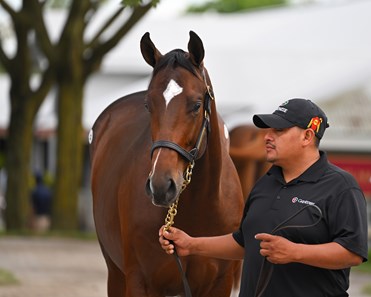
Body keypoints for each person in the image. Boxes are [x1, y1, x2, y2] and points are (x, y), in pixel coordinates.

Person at [159, 98, 368, 297]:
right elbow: (245, 242)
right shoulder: (265, 183)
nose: (267, 136)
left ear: (307, 136)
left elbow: (352, 252)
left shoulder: (341, 186)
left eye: (279, 130)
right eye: (268, 129)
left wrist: (295, 252)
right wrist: (192, 245)